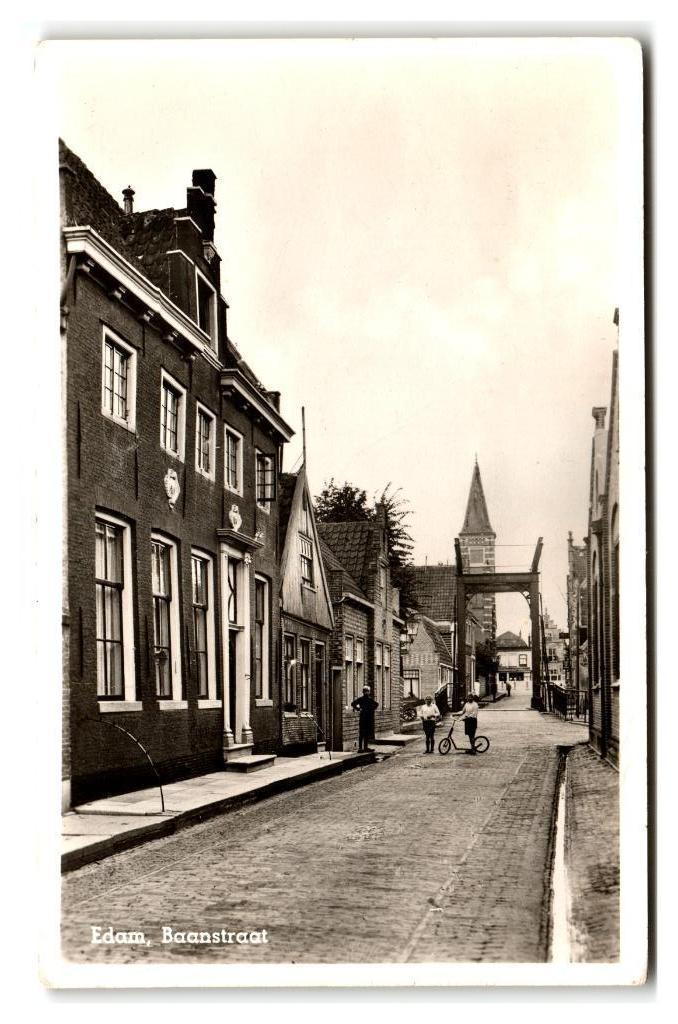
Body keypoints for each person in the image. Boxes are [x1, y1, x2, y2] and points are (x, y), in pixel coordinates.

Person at [351, 686, 379, 752]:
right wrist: (371, 710)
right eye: (366, 691)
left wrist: (359, 709)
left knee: (362, 733)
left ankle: (361, 748)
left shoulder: (361, 699)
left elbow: (353, 704)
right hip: (367, 718)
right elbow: (376, 704)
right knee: (365, 733)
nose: (366, 692)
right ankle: (364, 747)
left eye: (366, 691)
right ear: (368, 692)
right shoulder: (369, 699)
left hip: (363, 717)